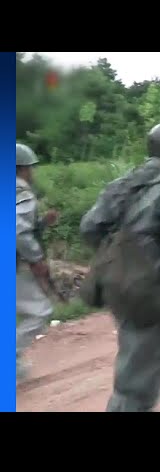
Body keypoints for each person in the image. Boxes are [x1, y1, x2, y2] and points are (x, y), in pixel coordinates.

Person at [79, 122, 160, 412]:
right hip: (147, 288)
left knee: (135, 353)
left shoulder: (124, 183)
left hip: (114, 282)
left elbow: (89, 227)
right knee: (138, 384)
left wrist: (118, 256)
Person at [16, 143, 59, 383]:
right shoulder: (20, 191)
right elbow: (17, 231)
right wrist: (36, 259)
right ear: (21, 168)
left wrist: (41, 223)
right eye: (30, 168)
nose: (32, 173)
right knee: (40, 312)